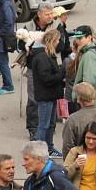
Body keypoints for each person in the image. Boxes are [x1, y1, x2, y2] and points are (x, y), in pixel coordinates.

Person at [20, 2, 59, 140]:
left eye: (51, 13)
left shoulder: (56, 26)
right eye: (47, 14)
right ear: (39, 14)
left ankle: (49, 128)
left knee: (51, 98)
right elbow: (19, 45)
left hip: (51, 66)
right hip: (33, 67)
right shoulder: (28, 27)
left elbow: (63, 44)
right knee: (33, 98)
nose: (50, 17)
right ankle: (33, 128)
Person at [30, 29, 65, 157]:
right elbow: (46, 78)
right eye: (58, 40)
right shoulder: (42, 57)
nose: (59, 42)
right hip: (45, 96)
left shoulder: (48, 55)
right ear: (53, 41)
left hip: (51, 95)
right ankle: (38, 151)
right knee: (44, 125)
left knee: (50, 124)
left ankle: (49, 147)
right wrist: (61, 74)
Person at [62, 82, 96, 158]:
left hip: (83, 164)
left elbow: (67, 147)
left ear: (79, 98)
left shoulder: (72, 119)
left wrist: (70, 166)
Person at [69, 25, 96, 105]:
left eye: (80, 38)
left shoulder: (89, 55)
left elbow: (89, 81)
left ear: (89, 37)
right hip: (89, 100)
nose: (77, 41)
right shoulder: (89, 52)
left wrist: (82, 100)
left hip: (87, 101)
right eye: (76, 38)